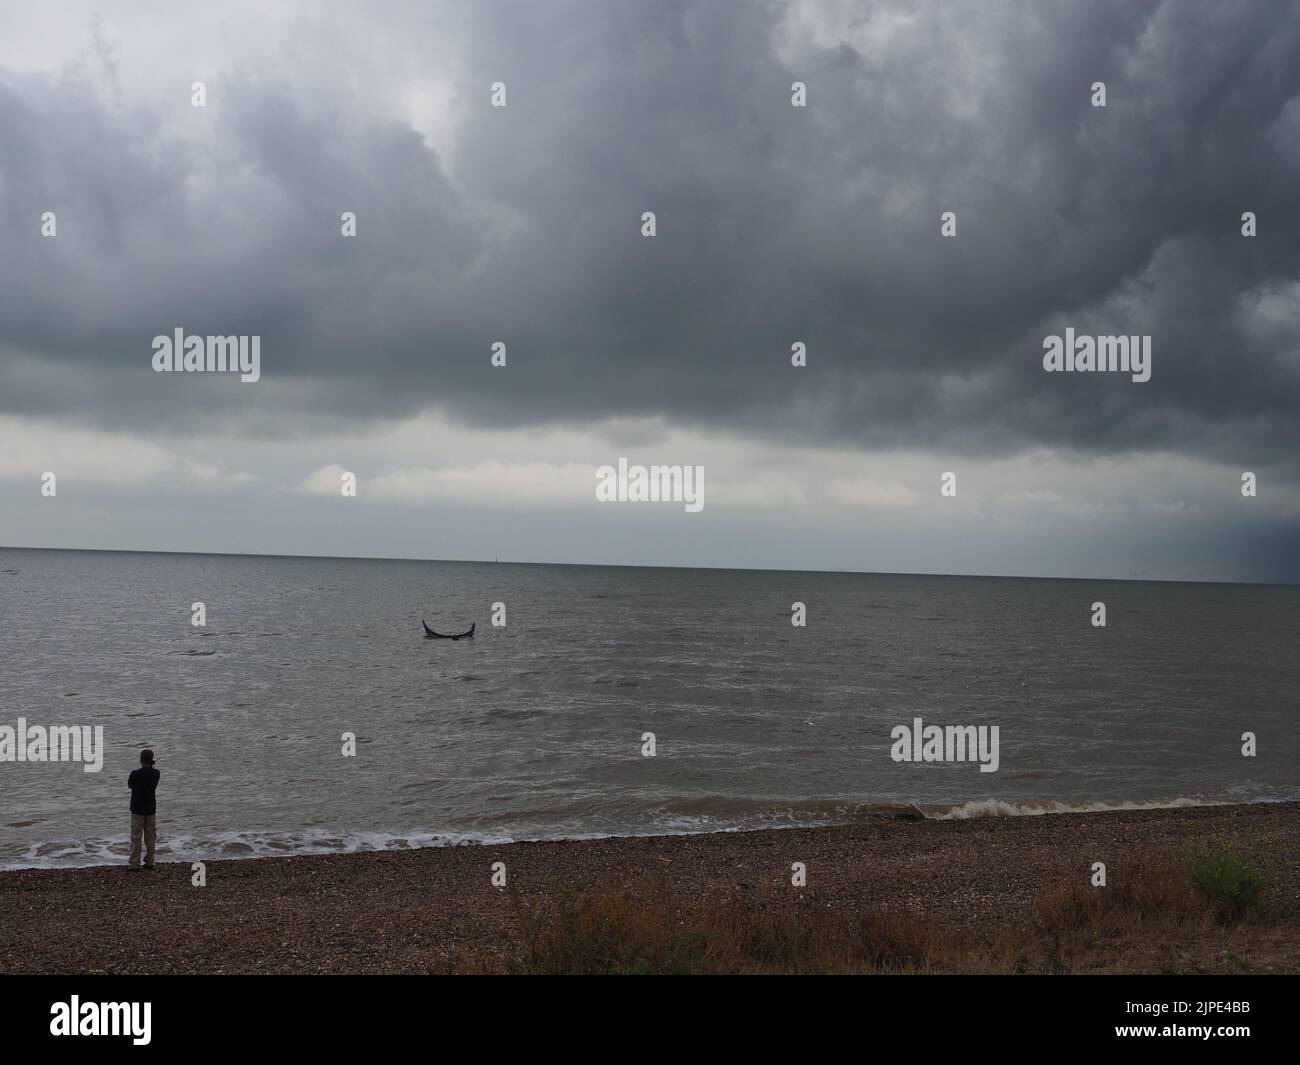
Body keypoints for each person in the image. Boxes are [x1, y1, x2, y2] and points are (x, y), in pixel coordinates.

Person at [127, 749, 161, 870]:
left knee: (136, 836)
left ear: (141, 760)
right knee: (150, 836)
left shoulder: (135, 774)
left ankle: (135, 862)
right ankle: (150, 861)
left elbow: (130, 785)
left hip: (137, 809)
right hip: (151, 808)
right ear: (151, 760)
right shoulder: (156, 773)